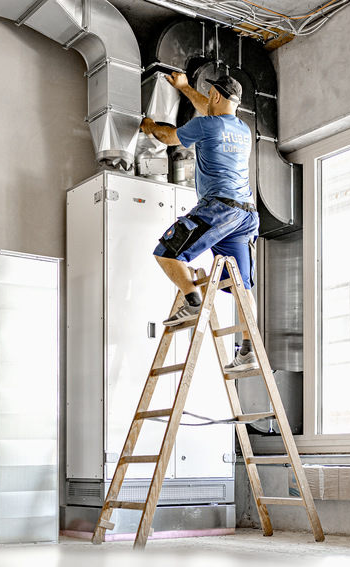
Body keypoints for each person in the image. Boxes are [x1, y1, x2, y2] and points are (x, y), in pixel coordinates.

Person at [140, 72, 260, 372]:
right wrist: (184, 88)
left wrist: (150, 126)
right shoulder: (243, 129)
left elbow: (169, 138)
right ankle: (249, 351)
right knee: (242, 287)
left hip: (218, 208)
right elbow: (209, 106)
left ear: (216, 96)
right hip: (246, 215)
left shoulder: (205, 125)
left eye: (210, 96)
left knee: (166, 253)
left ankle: (192, 301)